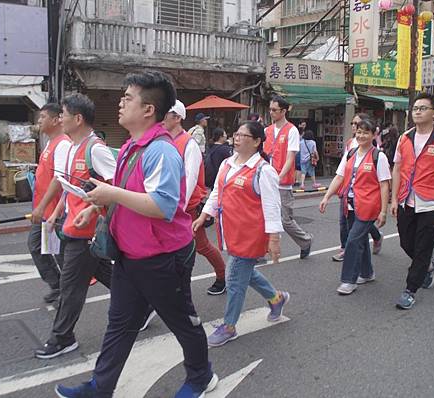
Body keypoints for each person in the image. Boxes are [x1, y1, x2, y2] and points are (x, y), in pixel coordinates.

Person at [55, 71, 217, 398]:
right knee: (119, 326)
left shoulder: (162, 151)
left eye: (127, 97)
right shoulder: (132, 145)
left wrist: (111, 196)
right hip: (129, 256)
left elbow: (163, 206)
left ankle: (201, 377)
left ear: (148, 110)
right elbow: (125, 190)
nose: (120, 103)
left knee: (183, 322)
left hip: (162, 260)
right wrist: (98, 206)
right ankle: (100, 388)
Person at [34, 94, 116, 360]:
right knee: (108, 274)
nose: (60, 119)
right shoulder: (71, 148)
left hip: (87, 231)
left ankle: (62, 338)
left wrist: (93, 208)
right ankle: (145, 305)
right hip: (71, 226)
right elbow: (69, 189)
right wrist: (56, 214)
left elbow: (119, 187)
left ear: (78, 119)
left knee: (70, 288)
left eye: (64, 114)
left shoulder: (96, 149)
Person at [193, 121, 289, 347]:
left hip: (251, 234)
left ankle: (229, 326)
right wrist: (204, 214)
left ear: (256, 142)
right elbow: (217, 193)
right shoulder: (227, 163)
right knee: (246, 273)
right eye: (236, 134)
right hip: (230, 230)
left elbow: (272, 206)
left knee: (234, 277)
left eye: (243, 135)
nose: (236, 138)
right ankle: (277, 298)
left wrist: (274, 238)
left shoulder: (263, 171)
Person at [390, 93, 434, 310]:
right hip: (406, 200)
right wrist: (393, 199)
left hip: (432, 201)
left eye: (423, 108)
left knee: (422, 246)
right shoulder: (404, 138)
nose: (417, 111)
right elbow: (397, 169)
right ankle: (427, 266)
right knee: (405, 242)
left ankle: (410, 289)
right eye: (415, 108)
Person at [319, 118, 391, 295]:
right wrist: (327, 196)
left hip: (368, 207)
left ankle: (349, 280)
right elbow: (339, 176)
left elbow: (384, 185)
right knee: (360, 241)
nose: (361, 135)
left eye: (366, 132)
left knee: (352, 241)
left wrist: (383, 211)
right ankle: (367, 273)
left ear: (374, 135)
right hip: (349, 204)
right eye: (359, 132)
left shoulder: (378, 156)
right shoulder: (350, 153)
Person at [163, 100, 227, 295]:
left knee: (202, 246)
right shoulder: (164, 140)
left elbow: (190, 179)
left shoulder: (188, 143)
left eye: (165, 114)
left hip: (186, 207)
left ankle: (222, 276)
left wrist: (180, 205)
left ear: (177, 118)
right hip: (168, 205)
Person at [27, 103, 71, 305]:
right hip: (45, 210)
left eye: (42, 117)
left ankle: (67, 290)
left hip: (54, 212)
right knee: (40, 247)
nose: (39, 121)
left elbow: (59, 179)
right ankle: (58, 286)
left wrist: (42, 207)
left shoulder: (62, 144)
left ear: (55, 120)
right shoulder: (50, 142)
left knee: (56, 252)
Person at [264, 95, 313, 259]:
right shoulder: (267, 131)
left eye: (274, 110)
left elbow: (290, 158)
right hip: (267, 181)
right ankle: (261, 249)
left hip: (282, 183)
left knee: (286, 220)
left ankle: (305, 241)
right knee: (263, 216)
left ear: (283, 111)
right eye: (270, 109)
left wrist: (279, 177)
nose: (271, 112)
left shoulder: (291, 130)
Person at [332, 113, 383, 262]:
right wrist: (329, 194)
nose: (355, 127)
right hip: (347, 192)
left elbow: (382, 181)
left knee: (360, 226)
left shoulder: (374, 151)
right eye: (353, 125)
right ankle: (347, 250)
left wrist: (384, 210)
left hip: (364, 197)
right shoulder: (350, 144)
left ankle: (350, 257)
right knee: (346, 223)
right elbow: (342, 171)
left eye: (358, 124)